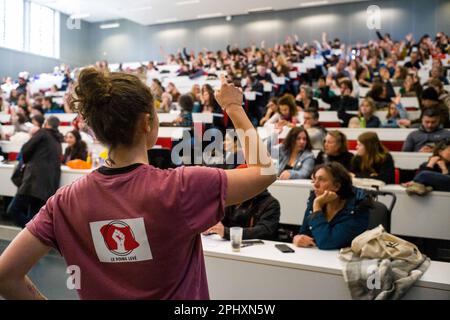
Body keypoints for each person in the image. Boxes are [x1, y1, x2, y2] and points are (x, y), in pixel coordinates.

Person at [0, 69, 276, 300]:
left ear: (95, 131)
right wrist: (233, 108)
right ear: (147, 122)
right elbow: (264, 171)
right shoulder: (182, 187)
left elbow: (5, 275)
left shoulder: (64, 201)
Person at [293, 163, 370, 250]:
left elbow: (326, 242)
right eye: (314, 180)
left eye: (321, 180)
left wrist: (317, 206)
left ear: (337, 186)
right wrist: (297, 238)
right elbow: (304, 233)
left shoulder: (357, 208)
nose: (315, 185)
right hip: (317, 258)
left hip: (346, 261)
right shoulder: (315, 200)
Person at [6, 116, 63, 228]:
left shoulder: (43, 133)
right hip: (48, 185)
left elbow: (26, 149)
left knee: (13, 211)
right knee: (34, 217)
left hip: (33, 181)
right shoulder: (58, 142)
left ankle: (32, 231)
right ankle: (31, 236)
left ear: (46, 124)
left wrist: (26, 160)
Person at [204, 166, 280, 241]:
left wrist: (227, 232)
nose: (236, 188)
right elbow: (220, 221)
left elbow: (264, 232)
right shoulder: (233, 198)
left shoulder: (271, 204)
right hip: (228, 245)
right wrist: (211, 228)